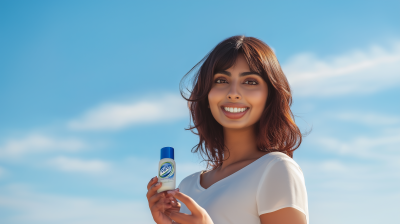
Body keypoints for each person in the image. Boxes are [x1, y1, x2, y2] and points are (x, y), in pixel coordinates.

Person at [146, 35, 309, 224]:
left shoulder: (276, 169)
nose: (233, 93)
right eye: (221, 80)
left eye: (250, 82)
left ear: (269, 97)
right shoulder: (187, 186)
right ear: (207, 95)